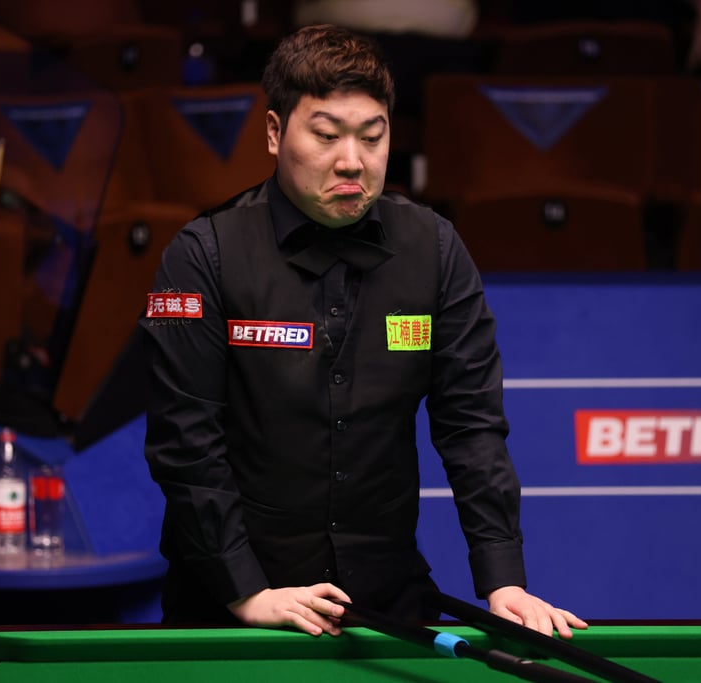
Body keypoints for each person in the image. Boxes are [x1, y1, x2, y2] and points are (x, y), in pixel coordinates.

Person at [139, 23, 587, 639]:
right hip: (232, 607)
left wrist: (501, 577)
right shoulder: (204, 255)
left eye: (371, 137)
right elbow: (185, 444)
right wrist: (247, 591)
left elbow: (470, 424)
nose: (351, 160)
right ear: (274, 133)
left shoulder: (433, 249)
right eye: (325, 136)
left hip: (384, 604)